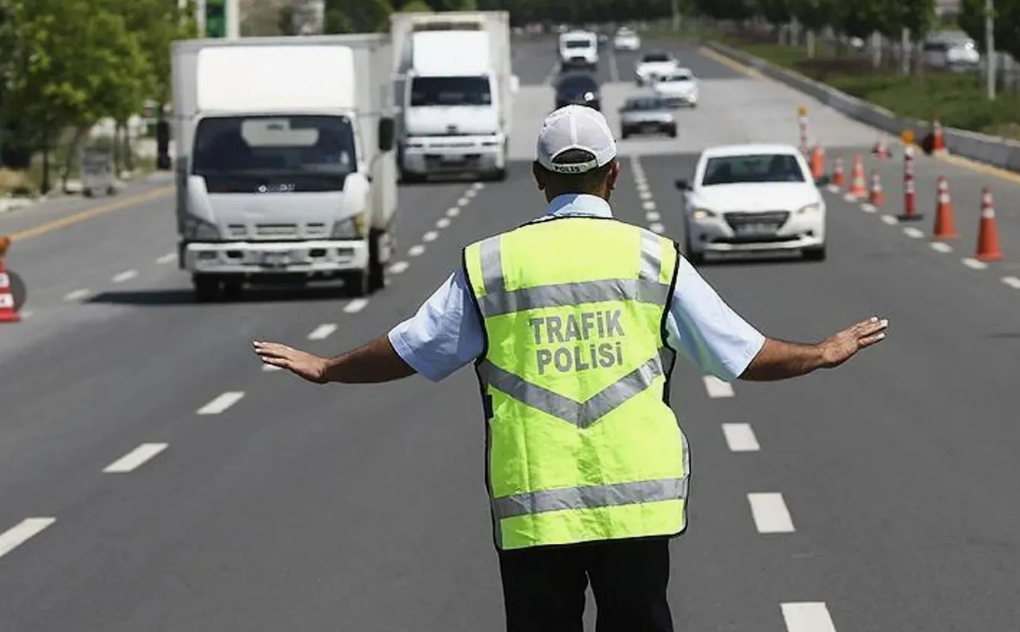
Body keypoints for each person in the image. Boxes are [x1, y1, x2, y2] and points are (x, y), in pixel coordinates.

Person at [253, 105, 889, 632]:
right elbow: (741, 354)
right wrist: (821, 353)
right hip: (637, 506)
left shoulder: (493, 264)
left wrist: (330, 366)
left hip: (535, 506)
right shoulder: (652, 259)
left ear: (538, 177)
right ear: (613, 175)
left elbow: (413, 348)